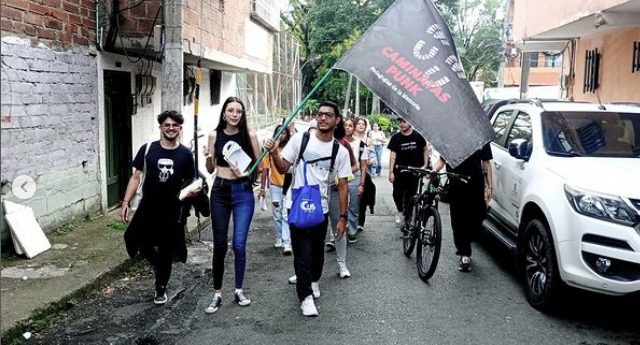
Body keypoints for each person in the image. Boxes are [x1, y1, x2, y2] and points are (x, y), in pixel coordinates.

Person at [264, 100, 351, 317]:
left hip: (320, 209)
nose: (323, 118)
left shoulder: (339, 151)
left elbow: (342, 186)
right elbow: (283, 167)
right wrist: (274, 153)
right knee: (301, 254)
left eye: (328, 115)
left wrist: (342, 217)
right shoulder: (301, 140)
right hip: (296, 207)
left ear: (336, 120)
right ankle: (305, 297)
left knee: (317, 255)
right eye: (320, 114)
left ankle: (313, 281)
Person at [122, 110, 200, 305]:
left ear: (180, 128)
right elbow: (136, 176)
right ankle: (158, 264)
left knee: (166, 248)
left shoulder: (185, 154)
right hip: (148, 205)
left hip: (172, 208)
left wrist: (191, 192)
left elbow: (191, 180)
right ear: (161, 127)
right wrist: (126, 202)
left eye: (175, 125)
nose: (171, 128)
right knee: (132, 237)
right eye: (167, 125)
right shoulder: (148, 149)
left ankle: (161, 287)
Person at [203, 96, 261, 314]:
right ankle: (217, 294)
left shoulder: (250, 135)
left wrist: (246, 173)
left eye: (239, 111)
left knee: (238, 245)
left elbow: (259, 166)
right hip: (219, 190)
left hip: (242, 192)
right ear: (224, 113)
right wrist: (208, 157)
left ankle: (238, 289)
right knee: (220, 245)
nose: (235, 114)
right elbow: (210, 168)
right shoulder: (214, 135)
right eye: (231, 110)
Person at [433, 143, 493, 272]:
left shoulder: (480, 136)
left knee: (479, 215)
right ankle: (464, 254)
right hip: (456, 184)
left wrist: (490, 186)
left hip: (476, 184)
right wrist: (434, 171)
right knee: (459, 221)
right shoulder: (451, 137)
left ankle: (470, 238)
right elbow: (442, 160)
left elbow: (486, 163)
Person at [387, 117, 430, 225]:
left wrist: (425, 165)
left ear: (411, 122)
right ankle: (400, 210)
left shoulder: (418, 136)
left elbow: (425, 149)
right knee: (396, 193)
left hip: (415, 171)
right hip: (400, 170)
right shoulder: (396, 138)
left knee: (411, 196)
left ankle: (408, 217)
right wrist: (391, 172)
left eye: (404, 121)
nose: (402, 124)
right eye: (400, 122)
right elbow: (392, 155)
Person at [260, 124, 293, 255]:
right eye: (278, 132)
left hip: (288, 185)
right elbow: (265, 169)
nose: (281, 135)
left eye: (283, 133)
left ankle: (287, 242)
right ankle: (279, 237)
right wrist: (262, 188)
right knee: (277, 213)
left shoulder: (290, 149)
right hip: (274, 185)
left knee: (285, 213)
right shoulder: (269, 150)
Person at [344, 118, 368, 243]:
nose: (347, 127)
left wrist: (362, 184)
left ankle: (352, 231)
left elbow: (364, 166)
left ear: (353, 128)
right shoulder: (337, 142)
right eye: (345, 125)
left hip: (355, 177)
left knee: (353, 205)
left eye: (350, 125)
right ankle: (336, 233)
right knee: (338, 206)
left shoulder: (361, 145)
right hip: (339, 178)